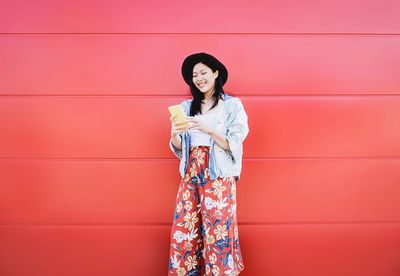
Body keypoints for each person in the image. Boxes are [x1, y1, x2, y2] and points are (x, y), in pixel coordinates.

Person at [168, 52, 249, 276]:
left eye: (203, 72)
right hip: (191, 170)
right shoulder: (186, 107)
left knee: (218, 230)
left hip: (218, 172)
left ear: (216, 73)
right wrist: (175, 134)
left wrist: (208, 129)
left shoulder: (231, 106)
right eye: (195, 75)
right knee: (186, 228)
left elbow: (235, 142)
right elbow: (179, 146)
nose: (199, 78)